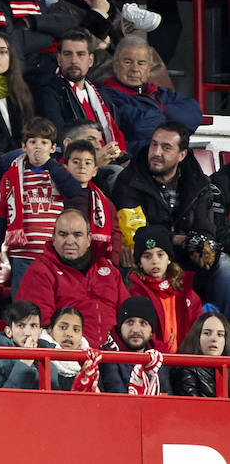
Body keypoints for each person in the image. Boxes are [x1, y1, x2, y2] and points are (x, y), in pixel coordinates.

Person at [114, 121, 230, 311]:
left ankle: (221, 331)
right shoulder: (130, 180)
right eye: (154, 144)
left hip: (187, 257)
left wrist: (203, 248)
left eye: (166, 147)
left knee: (223, 265)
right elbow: (140, 234)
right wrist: (178, 239)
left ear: (181, 154)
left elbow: (206, 230)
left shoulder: (198, 183)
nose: (157, 152)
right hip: (151, 256)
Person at [0, 118, 83, 293]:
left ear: (53, 148)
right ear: (24, 146)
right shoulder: (11, 176)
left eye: (44, 142)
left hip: (53, 254)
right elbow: (0, 214)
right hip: (22, 255)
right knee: (23, 303)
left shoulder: (58, 172)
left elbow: (73, 190)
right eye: (32, 142)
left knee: (52, 303)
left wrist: (50, 165)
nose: (38, 147)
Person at [45, 0, 162, 82]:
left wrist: (106, 42)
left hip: (120, 71)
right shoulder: (61, 9)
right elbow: (81, 48)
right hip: (93, 75)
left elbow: (119, 44)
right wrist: (98, 13)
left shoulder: (110, 8)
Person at [16, 209, 127, 342]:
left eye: (77, 235)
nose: (70, 241)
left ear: (89, 239)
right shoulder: (40, 270)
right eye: (63, 234)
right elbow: (39, 325)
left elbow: (129, 315)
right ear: (53, 237)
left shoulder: (108, 270)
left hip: (114, 355)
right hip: (65, 355)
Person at [102, 36, 202, 160]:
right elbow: (138, 126)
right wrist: (169, 116)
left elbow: (194, 115)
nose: (134, 69)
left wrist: (157, 111)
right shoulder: (105, 95)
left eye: (141, 63)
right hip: (134, 162)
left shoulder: (158, 92)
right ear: (115, 66)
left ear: (149, 68)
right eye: (127, 62)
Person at [35, 29, 129, 161]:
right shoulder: (49, 93)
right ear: (59, 59)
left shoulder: (101, 93)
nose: (74, 60)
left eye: (80, 54)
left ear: (90, 60)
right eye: (68, 54)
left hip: (111, 159)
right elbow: (60, 138)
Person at [126, 223, 203, 353]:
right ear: (139, 263)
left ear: (169, 259)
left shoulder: (187, 293)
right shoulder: (134, 293)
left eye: (160, 255)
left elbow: (198, 330)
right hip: (153, 363)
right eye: (147, 256)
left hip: (185, 363)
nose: (155, 261)